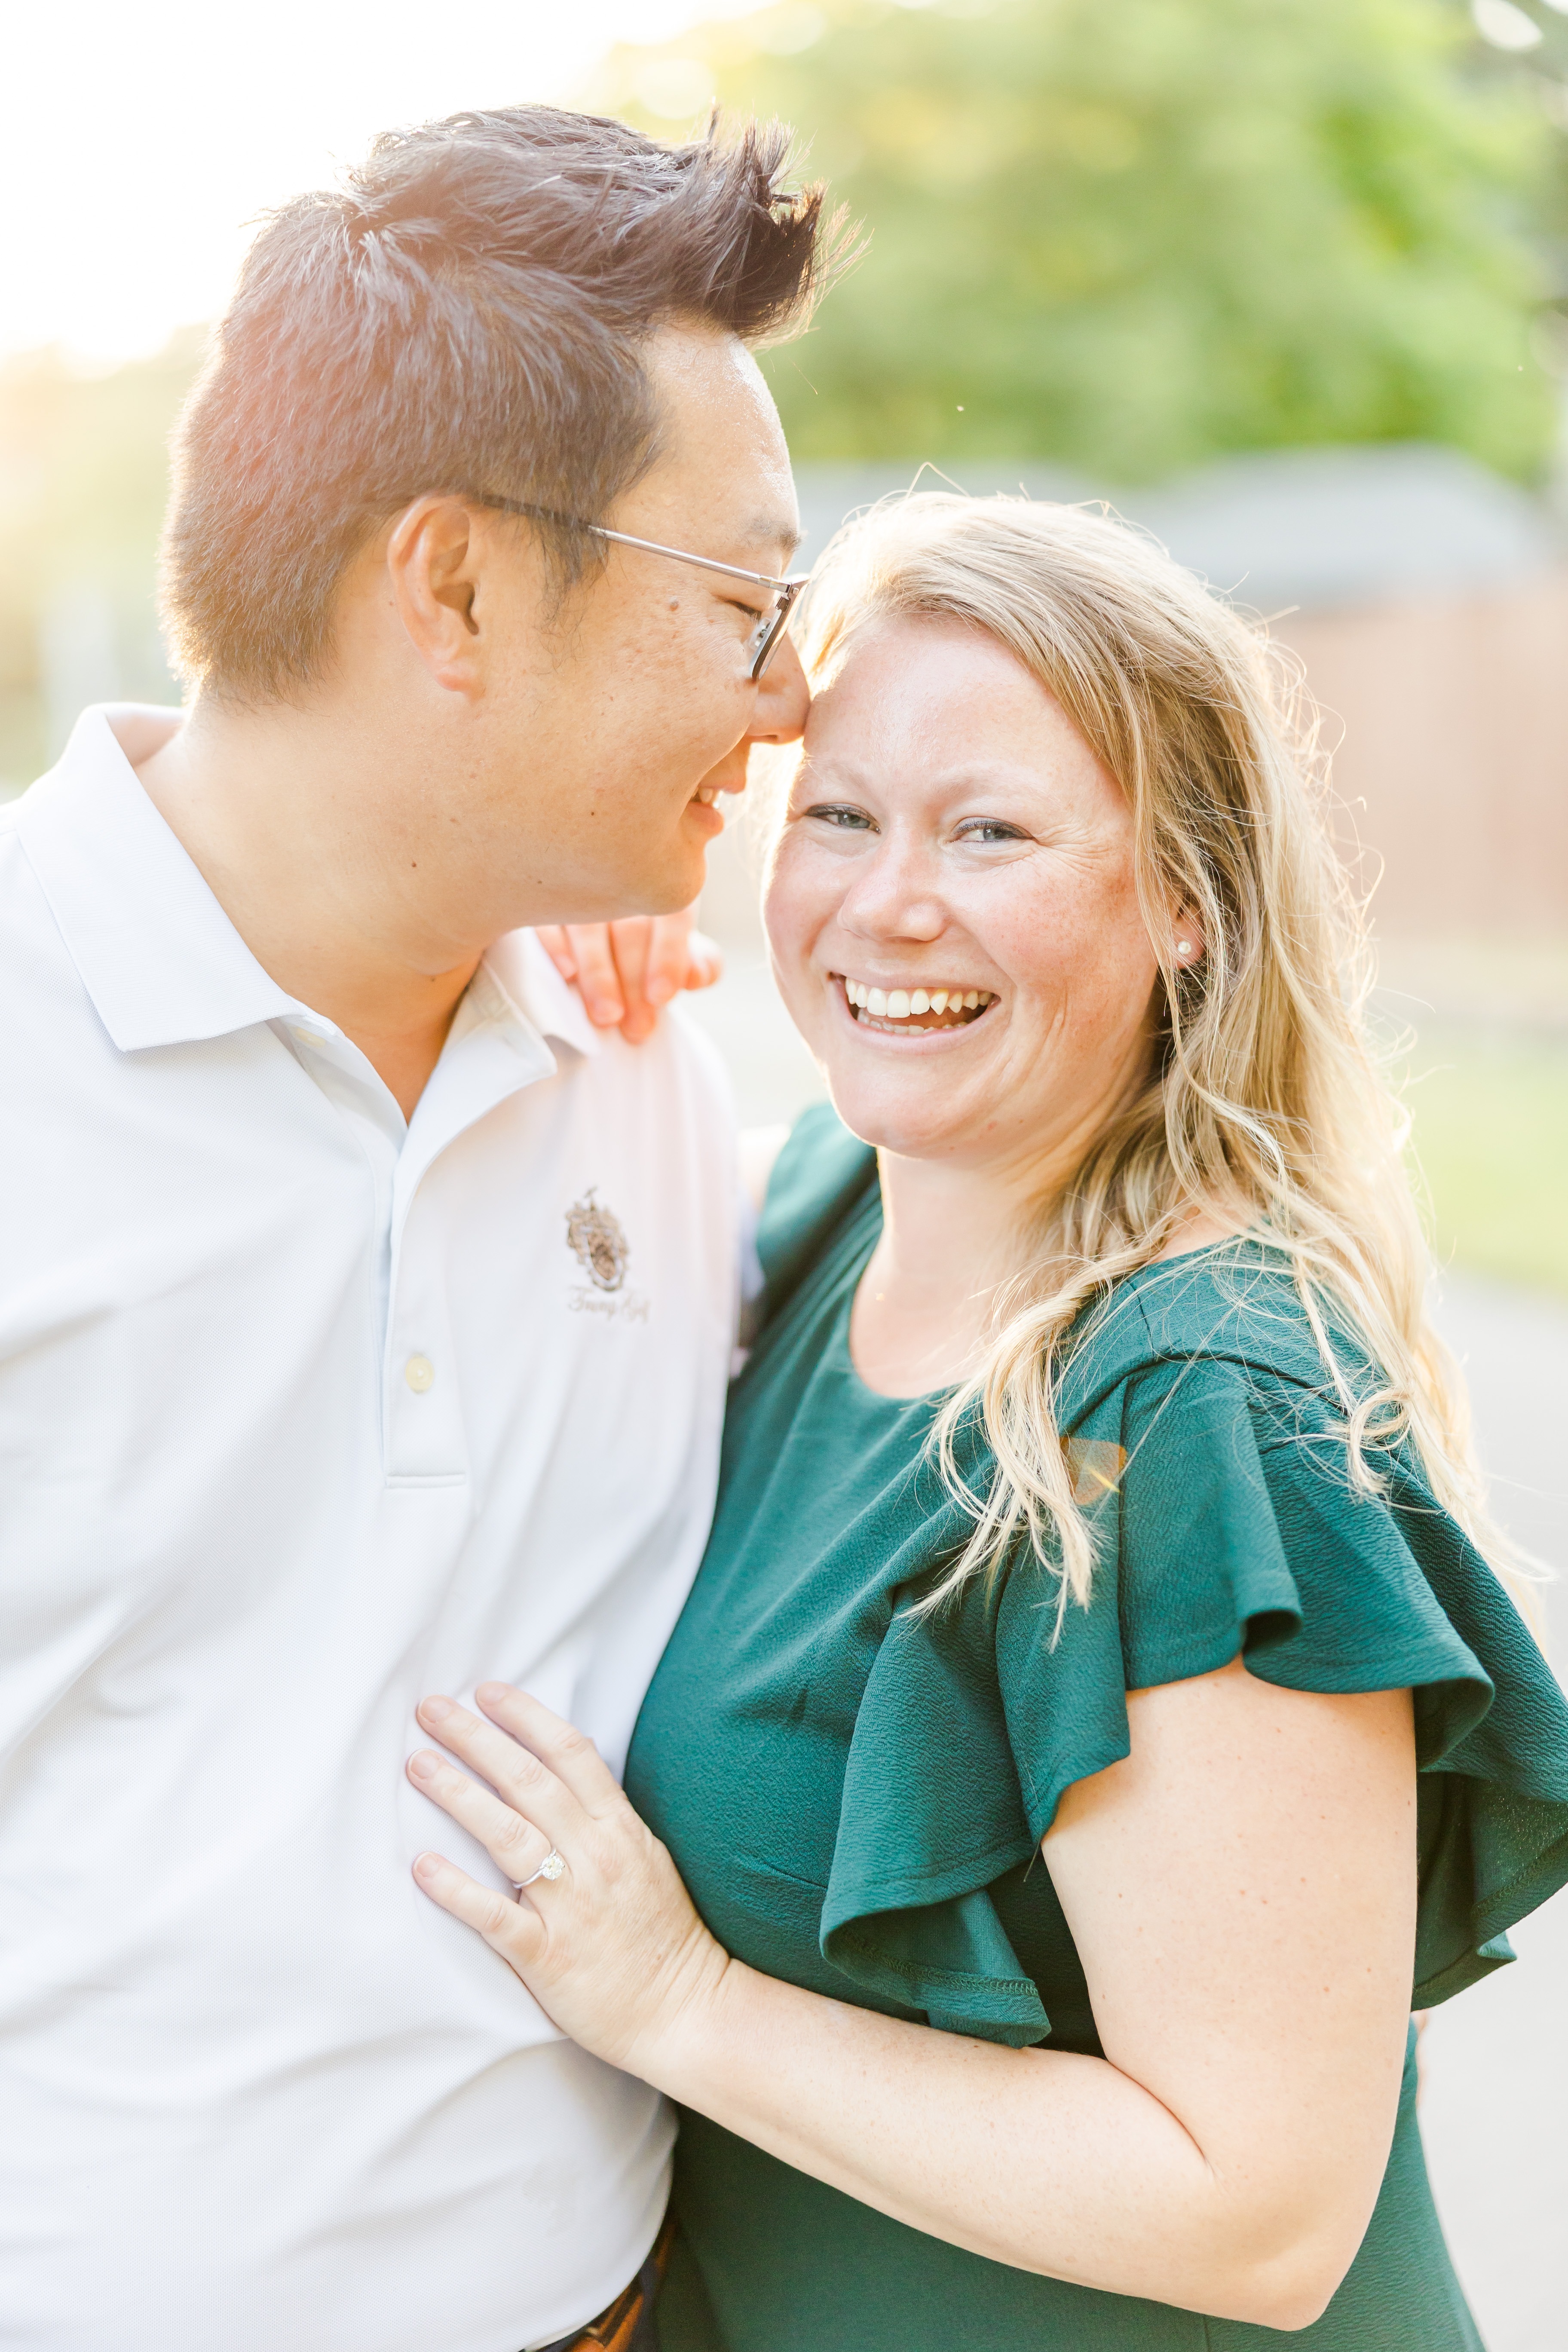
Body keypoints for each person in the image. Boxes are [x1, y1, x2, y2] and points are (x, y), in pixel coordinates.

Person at [407, 493, 1568, 2351]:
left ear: (1189, 903)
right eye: (842, 817)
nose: (890, 905)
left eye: (993, 832)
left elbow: (1255, 2206)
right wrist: (551, 966)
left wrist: (679, 2004)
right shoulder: (803, 1224)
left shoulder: (1203, 1405)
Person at [0, 105, 841, 2352]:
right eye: (748, 601)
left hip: (608, 2316)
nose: (793, 696)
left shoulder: (645, 1057)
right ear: (452, 587)